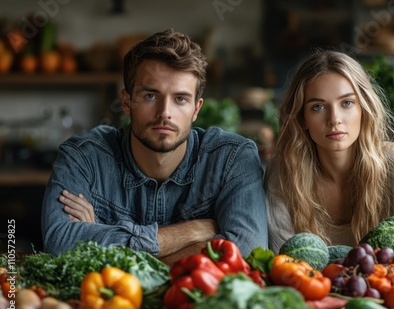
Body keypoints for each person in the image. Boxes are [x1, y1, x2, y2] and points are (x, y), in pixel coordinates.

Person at [41, 28, 268, 264]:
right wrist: (191, 234)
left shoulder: (232, 158)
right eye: (151, 96)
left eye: (180, 99)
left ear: (196, 109)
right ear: (127, 102)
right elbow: (59, 243)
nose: (165, 113)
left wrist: (99, 240)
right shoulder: (84, 155)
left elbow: (248, 254)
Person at [265, 49, 394, 254]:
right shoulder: (284, 172)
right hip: (312, 286)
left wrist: (388, 268)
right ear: (302, 118)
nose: (334, 119)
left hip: (391, 284)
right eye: (318, 107)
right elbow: (285, 256)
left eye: (347, 103)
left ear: (364, 108)